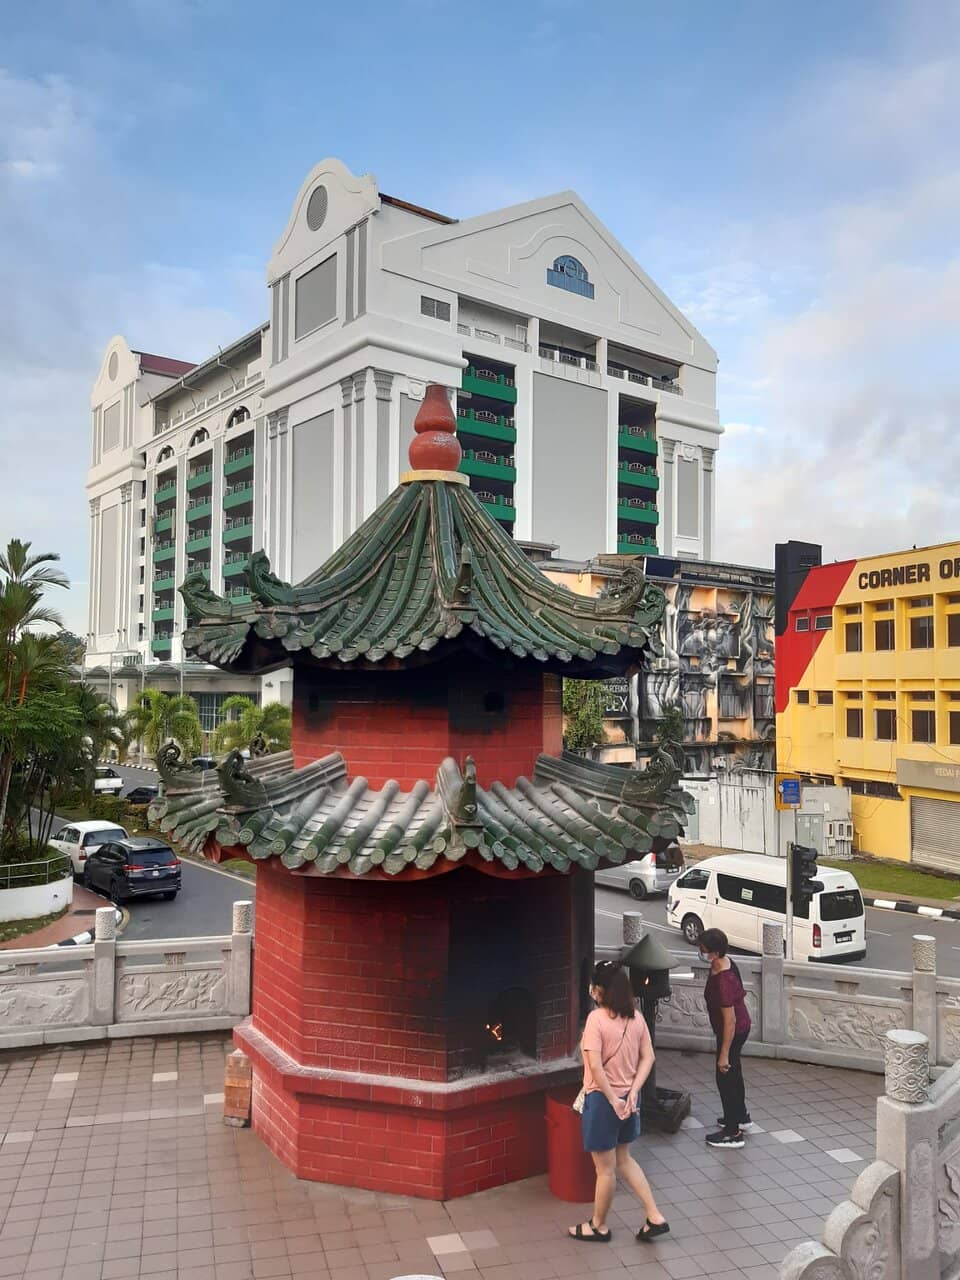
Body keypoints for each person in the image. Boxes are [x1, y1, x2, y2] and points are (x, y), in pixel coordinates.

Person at [568, 959, 669, 1245]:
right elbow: (648, 1056)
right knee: (625, 1158)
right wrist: (633, 1092)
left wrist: (612, 1099)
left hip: (603, 1101)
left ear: (601, 990)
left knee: (605, 1169)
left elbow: (596, 1067)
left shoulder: (596, 1020)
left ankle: (598, 1226)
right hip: (629, 1101)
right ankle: (654, 1215)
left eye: (595, 987)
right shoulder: (637, 1019)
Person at [699, 927, 753, 1148]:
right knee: (734, 1071)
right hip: (738, 1026)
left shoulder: (723, 980)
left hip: (732, 1030)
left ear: (714, 951)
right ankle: (740, 1116)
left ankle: (733, 1132)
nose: (701, 952)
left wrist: (723, 1054)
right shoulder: (723, 963)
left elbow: (729, 1020)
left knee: (726, 1077)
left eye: (703, 950)